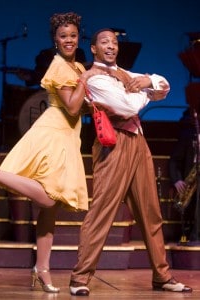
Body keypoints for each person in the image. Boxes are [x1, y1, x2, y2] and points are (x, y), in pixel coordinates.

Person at [0, 12, 104, 293]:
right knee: (48, 199)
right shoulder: (61, 67)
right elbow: (72, 107)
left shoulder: (75, 68)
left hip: (68, 136)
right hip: (53, 133)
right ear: (55, 40)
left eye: (73, 35)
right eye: (63, 36)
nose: (69, 40)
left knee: (50, 211)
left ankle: (42, 269)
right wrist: (88, 78)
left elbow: (80, 106)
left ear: (78, 37)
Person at [69, 28, 193, 296]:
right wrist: (144, 90)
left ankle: (162, 276)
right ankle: (80, 278)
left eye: (114, 42)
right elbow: (126, 108)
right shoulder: (92, 78)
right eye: (105, 42)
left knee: (151, 213)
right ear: (94, 49)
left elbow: (165, 86)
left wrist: (147, 81)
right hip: (112, 145)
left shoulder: (125, 73)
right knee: (102, 212)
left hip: (138, 143)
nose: (111, 47)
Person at [169, 107, 200, 243]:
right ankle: (196, 235)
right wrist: (177, 180)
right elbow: (174, 160)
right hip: (194, 178)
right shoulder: (188, 135)